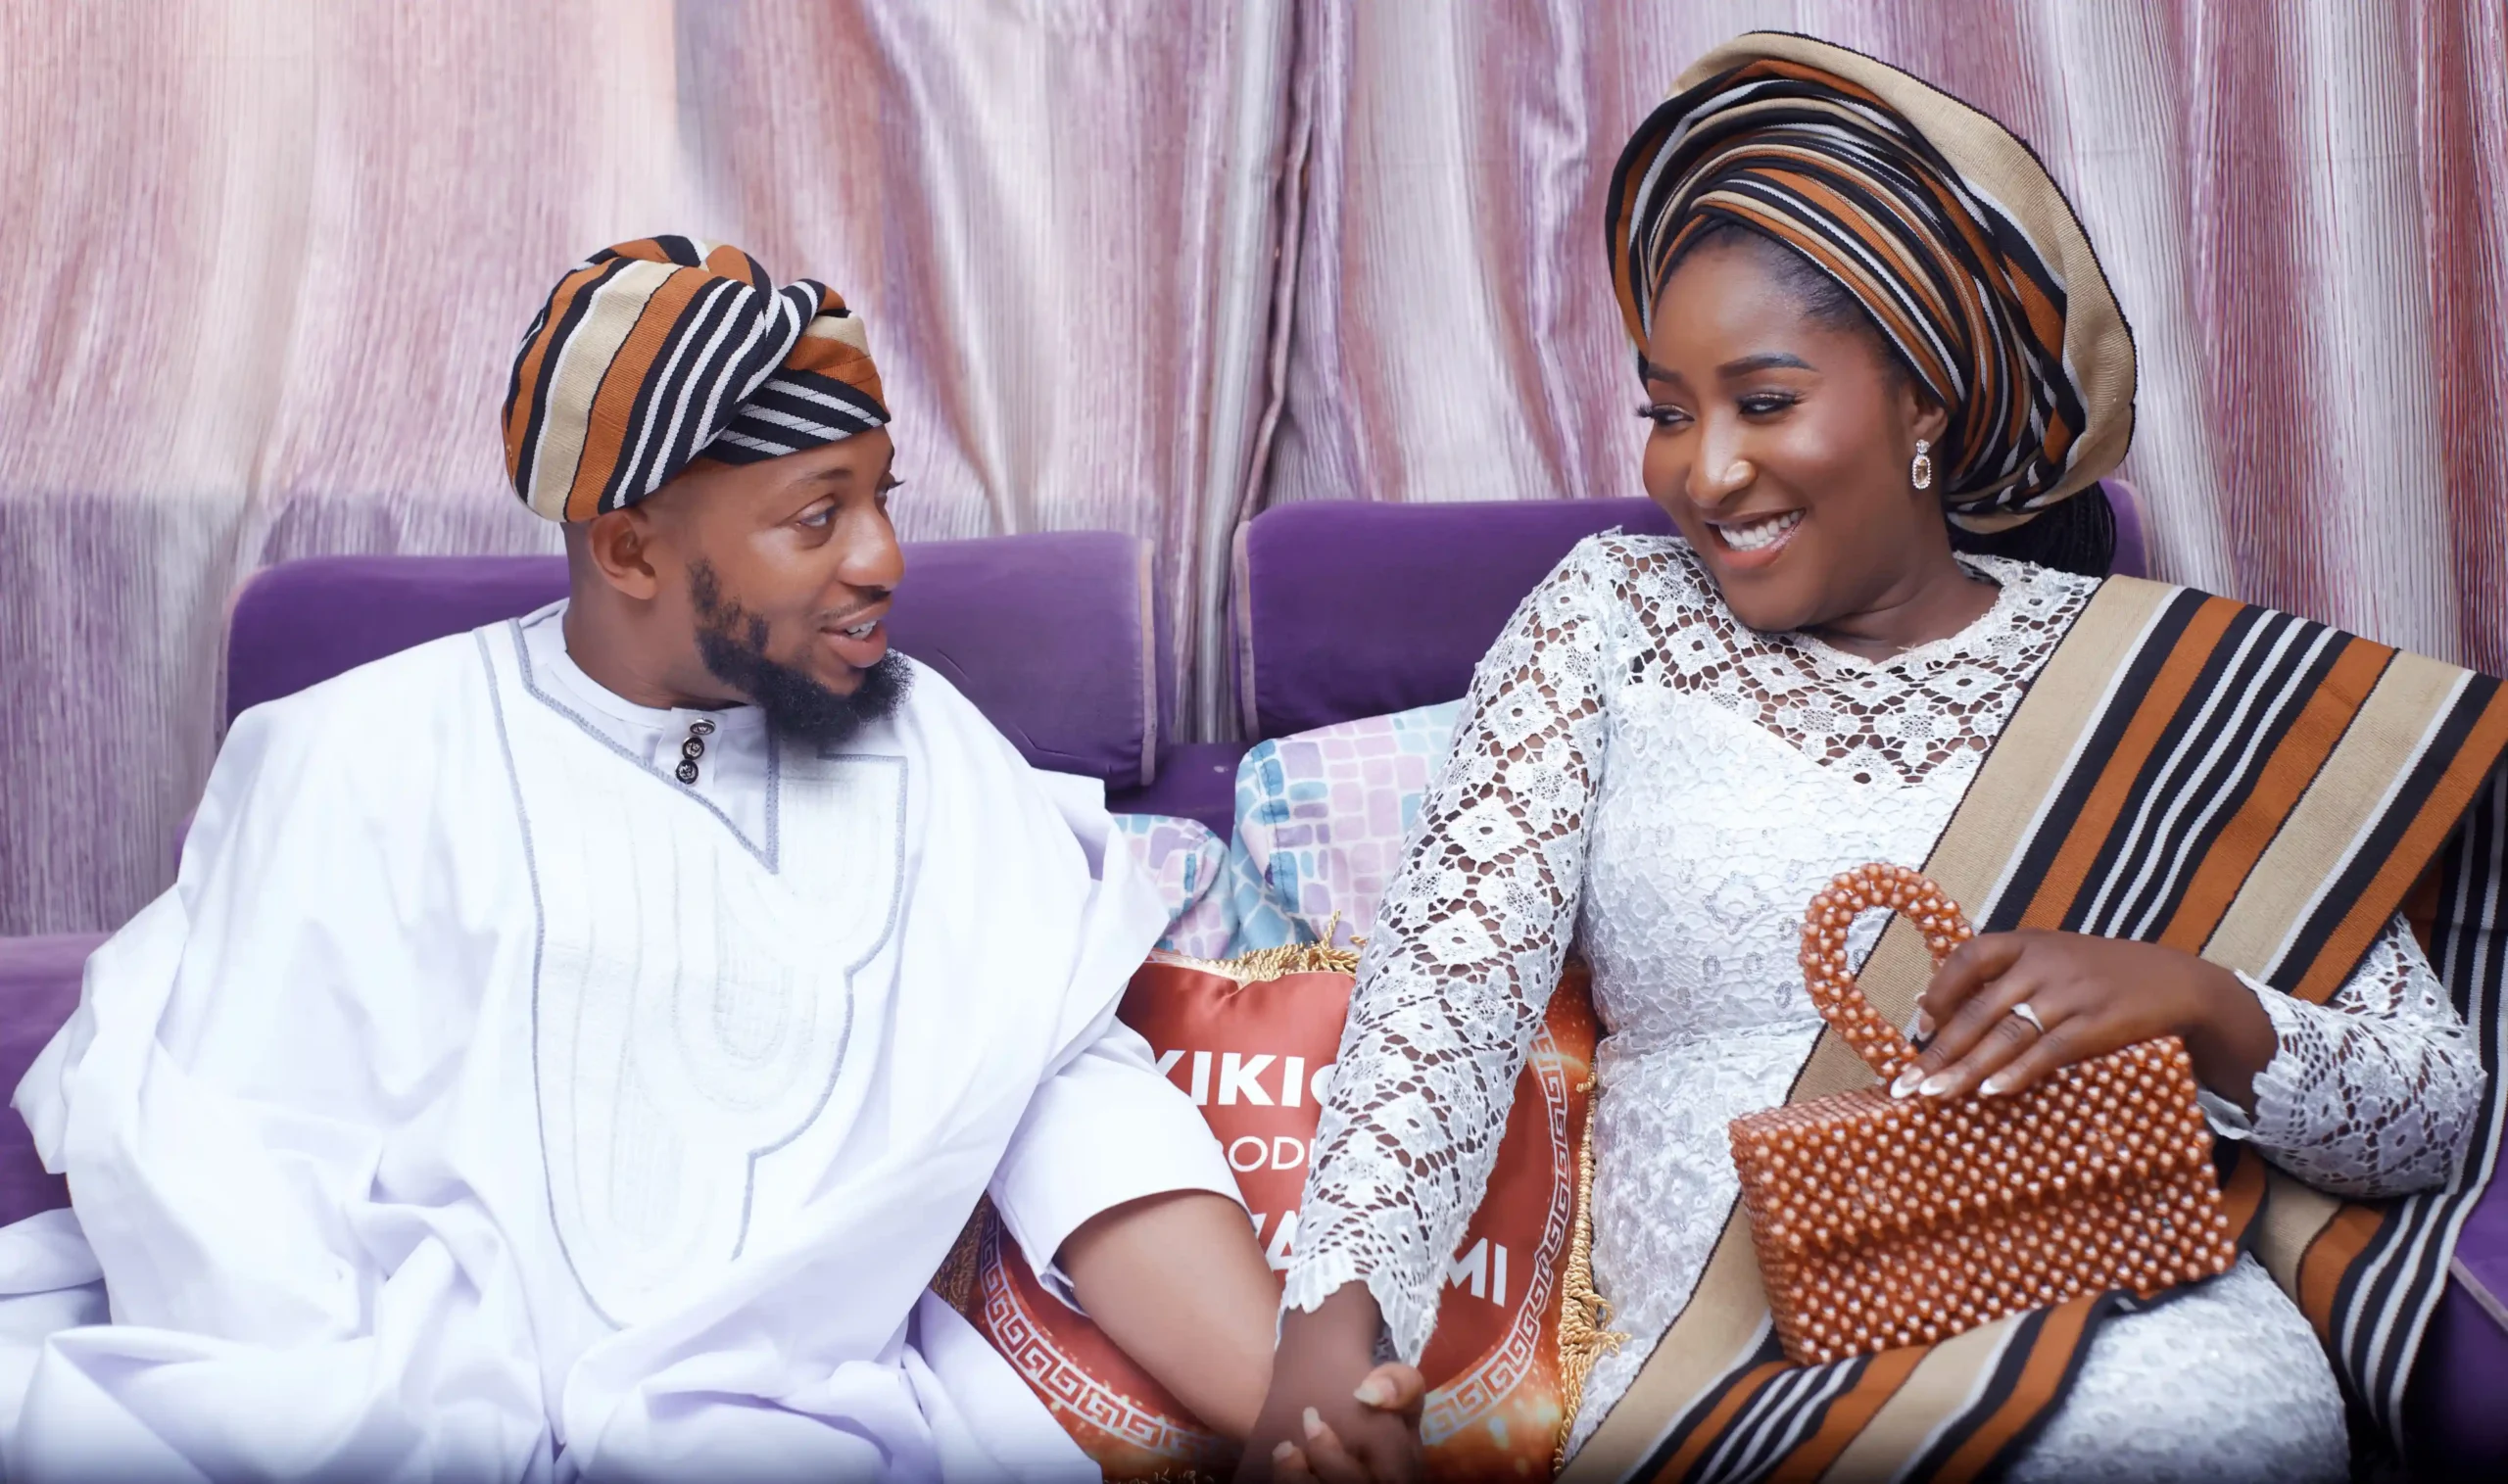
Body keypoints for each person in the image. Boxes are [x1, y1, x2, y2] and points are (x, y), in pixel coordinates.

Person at [1248, 34, 2506, 1484]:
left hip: (2149, 1355)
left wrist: (2196, 1002)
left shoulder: (2166, 677)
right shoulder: (1608, 617)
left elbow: (2429, 1111)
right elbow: (1440, 1011)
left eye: (1765, 401)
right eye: (1668, 411)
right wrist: (1332, 1339)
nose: (1707, 470)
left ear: (1924, 405)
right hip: (1735, 1372)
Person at [0, 236, 1292, 1482]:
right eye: (817, 516)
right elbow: (227, 1191)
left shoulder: (930, 750)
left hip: (794, 1430)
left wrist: (1298, 1412)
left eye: (881, 497)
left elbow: (1069, 1093)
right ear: (629, 548)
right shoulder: (355, 756)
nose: (884, 561)